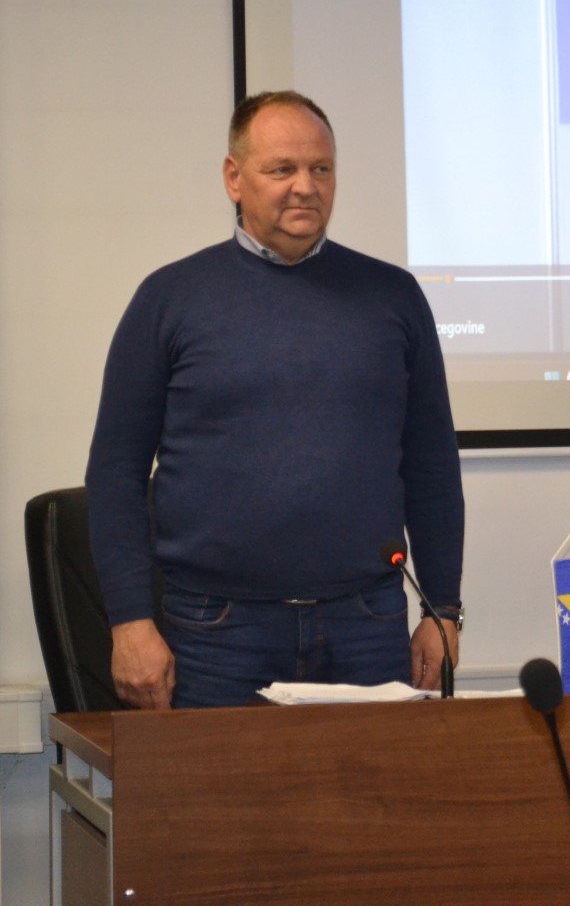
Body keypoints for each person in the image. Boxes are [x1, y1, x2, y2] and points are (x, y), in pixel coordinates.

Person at [86, 91, 465, 709]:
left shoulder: (393, 297)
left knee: (373, 779)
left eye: (321, 168)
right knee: (220, 780)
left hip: (366, 624)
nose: (305, 187)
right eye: (282, 169)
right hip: (214, 631)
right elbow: (115, 473)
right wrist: (129, 622)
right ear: (234, 178)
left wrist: (443, 608)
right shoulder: (168, 299)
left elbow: (432, 465)